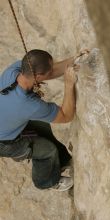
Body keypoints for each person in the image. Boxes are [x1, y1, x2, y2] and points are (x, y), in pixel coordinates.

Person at [0, 49, 79, 191]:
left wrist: (74, 60)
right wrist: (69, 84)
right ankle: (47, 182)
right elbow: (66, 115)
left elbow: (51, 70)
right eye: (47, 74)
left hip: (6, 121)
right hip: (5, 143)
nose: (51, 73)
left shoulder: (16, 70)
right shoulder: (29, 105)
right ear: (38, 76)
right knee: (47, 151)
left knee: (42, 127)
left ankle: (61, 160)